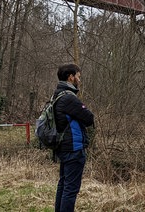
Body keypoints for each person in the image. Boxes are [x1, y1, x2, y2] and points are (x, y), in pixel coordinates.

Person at [53, 63, 94, 212]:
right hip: (73, 148)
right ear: (71, 77)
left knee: (63, 185)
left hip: (63, 148)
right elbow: (89, 118)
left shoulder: (57, 94)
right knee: (70, 190)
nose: (79, 80)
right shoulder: (69, 98)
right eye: (78, 76)